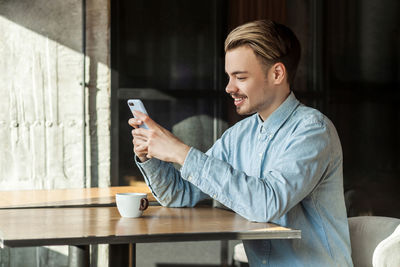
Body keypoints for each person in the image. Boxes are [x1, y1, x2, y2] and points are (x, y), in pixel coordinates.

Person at [129, 19, 353, 267]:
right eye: (228, 76)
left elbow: (266, 204)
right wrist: (148, 154)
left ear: (277, 73)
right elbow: (179, 193)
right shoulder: (240, 135)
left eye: (240, 77)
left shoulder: (312, 131)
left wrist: (181, 152)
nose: (229, 87)